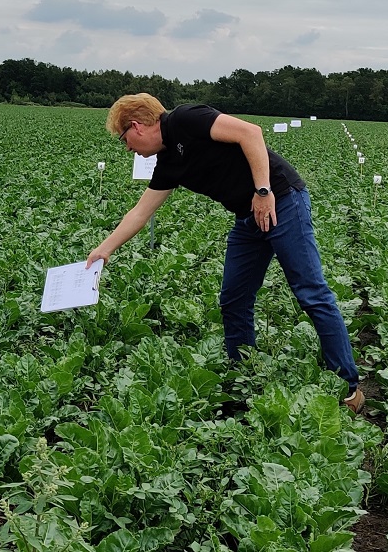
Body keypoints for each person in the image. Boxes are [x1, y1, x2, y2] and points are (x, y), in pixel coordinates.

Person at [85, 93, 364, 413]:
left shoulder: (186, 119)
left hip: (281, 200)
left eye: (125, 139)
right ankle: (244, 377)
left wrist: (263, 191)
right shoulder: (168, 163)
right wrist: (104, 249)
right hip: (248, 218)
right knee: (234, 299)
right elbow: (140, 212)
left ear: (136, 126)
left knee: (311, 292)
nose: (128, 148)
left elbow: (250, 133)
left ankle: (348, 388)